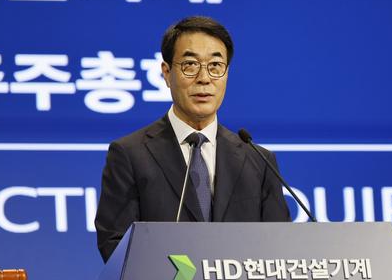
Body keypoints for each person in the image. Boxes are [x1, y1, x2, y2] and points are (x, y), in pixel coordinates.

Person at [95, 16, 291, 262]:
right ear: (167, 73)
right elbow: (115, 244)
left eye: (215, 66)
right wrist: (183, 275)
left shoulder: (259, 161)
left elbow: (280, 248)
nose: (204, 78)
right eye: (190, 65)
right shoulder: (130, 154)